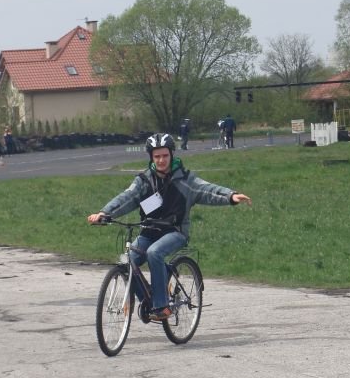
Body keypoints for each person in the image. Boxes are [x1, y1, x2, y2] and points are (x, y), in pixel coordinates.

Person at [87, 133, 251, 321]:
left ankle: (161, 306)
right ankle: (149, 299)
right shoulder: (144, 181)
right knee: (127, 260)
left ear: (172, 154)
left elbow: (207, 190)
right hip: (149, 232)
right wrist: (104, 213)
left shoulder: (185, 180)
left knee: (154, 252)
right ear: (151, 157)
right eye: (157, 156)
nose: (161, 160)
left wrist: (230, 196)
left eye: (165, 155)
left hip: (175, 232)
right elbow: (127, 197)